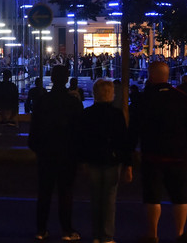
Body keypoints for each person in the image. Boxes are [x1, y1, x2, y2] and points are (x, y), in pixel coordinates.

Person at [129, 61, 187, 243]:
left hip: (152, 155)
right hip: (178, 155)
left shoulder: (144, 99)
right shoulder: (181, 97)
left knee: (153, 196)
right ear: (167, 75)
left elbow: (133, 130)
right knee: (180, 196)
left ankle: (153, 234)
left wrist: (129, 159)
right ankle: (179, 233)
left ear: (151, 76)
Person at [28, 64, 83, 241]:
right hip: (67, 153)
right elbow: (79, 130)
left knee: (44, 193)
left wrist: (38, 148)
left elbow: (34, 129)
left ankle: (41, 229)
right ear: (67, 79)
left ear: (51, 79)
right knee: (65, 193)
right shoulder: (73, 103)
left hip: (46, 153)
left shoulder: (42, 101)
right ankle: (66, 229)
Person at [79, 79, 133, 243]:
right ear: (111, 94)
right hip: (112, 158)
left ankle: (96, 234)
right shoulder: (116, 114)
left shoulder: (88, 113)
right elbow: (124, 140)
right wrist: (128, 164)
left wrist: (83, 160)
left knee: (95, 198)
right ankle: (107, 235)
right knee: (109, 198)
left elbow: (83, 140)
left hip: (93, 158)